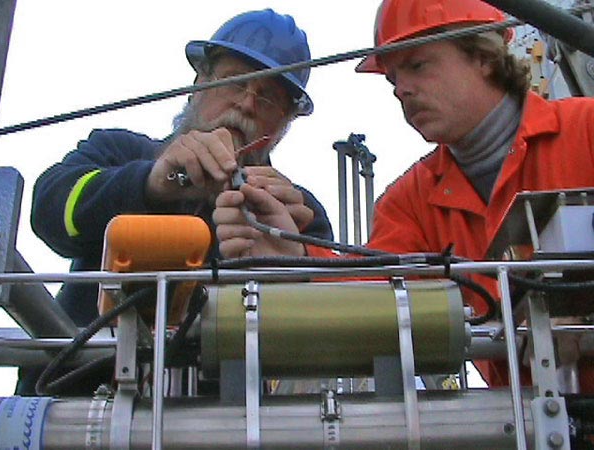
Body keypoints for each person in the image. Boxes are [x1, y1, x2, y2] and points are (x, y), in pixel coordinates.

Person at [213, 0, 594, 391]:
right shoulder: (409, 201)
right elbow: (372, 301)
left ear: (483, 56)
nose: (402, 90)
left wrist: (579, 309)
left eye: (417, 66)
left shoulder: (585, 131)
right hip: (531, 423)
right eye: (393, 78)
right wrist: (296, 257)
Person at [21, 9, 333, 395]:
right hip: (73, 403)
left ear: (284, 124)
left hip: (222, 424)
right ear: (199, 82)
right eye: (236, 82)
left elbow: (331, 327)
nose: (248, 104)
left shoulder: (296, 212)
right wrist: (150, 184)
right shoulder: (119, 151)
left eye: (269, 98)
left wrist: (290, 267)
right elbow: (50, 209)